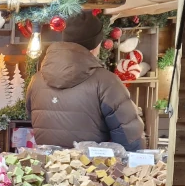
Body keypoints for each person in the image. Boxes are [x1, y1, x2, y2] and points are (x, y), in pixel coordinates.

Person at [26, 11, 146, 150]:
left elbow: (34, 118)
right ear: (96, 45)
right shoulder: (106, 82)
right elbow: (129, 136)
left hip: (48, 167)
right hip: (92, 169)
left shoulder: (36, 80)